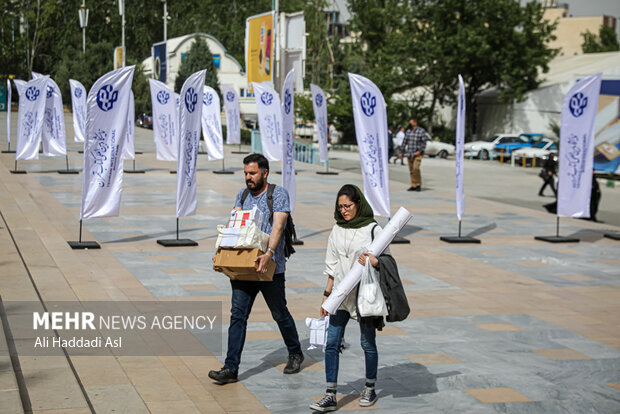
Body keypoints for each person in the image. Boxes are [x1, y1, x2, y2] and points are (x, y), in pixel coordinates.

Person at [210, 153, 304, 384]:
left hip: (269, 268)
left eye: (252, 173)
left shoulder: (278, 194)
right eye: (246, 173)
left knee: (279, 313)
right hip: (244, 268)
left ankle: (295, 352)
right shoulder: (242, 195)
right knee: (237, 316)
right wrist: (221, 253)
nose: (248, 178)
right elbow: (234, 228)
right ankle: (231, 368)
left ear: (265, 173)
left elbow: (279, 227)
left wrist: (269, 254)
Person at [309, 184, 387, 412]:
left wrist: (374, 261)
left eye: (348, 206)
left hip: (364, 295)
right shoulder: (336, 229)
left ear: (358, 204)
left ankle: (370, 387)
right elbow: (332, 265)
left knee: (367, 342)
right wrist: (327, 295)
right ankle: (330, 394)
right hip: (340, 295)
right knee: (332, 343)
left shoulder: (372, 229)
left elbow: (387, 260)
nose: (344, 211)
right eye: (340, 206)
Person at [401, 118, 427, 191]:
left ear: (415, 122)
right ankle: (413, 185)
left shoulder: (421, 131)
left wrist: (420, 151)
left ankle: (418, 184)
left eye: (411, 122)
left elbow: (424, 142)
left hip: (417, 154)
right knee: (411, 170)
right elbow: (404, 142)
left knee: (416, 168)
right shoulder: (408, 131)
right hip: (409, 154)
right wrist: (401, 152)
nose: (410, 124)